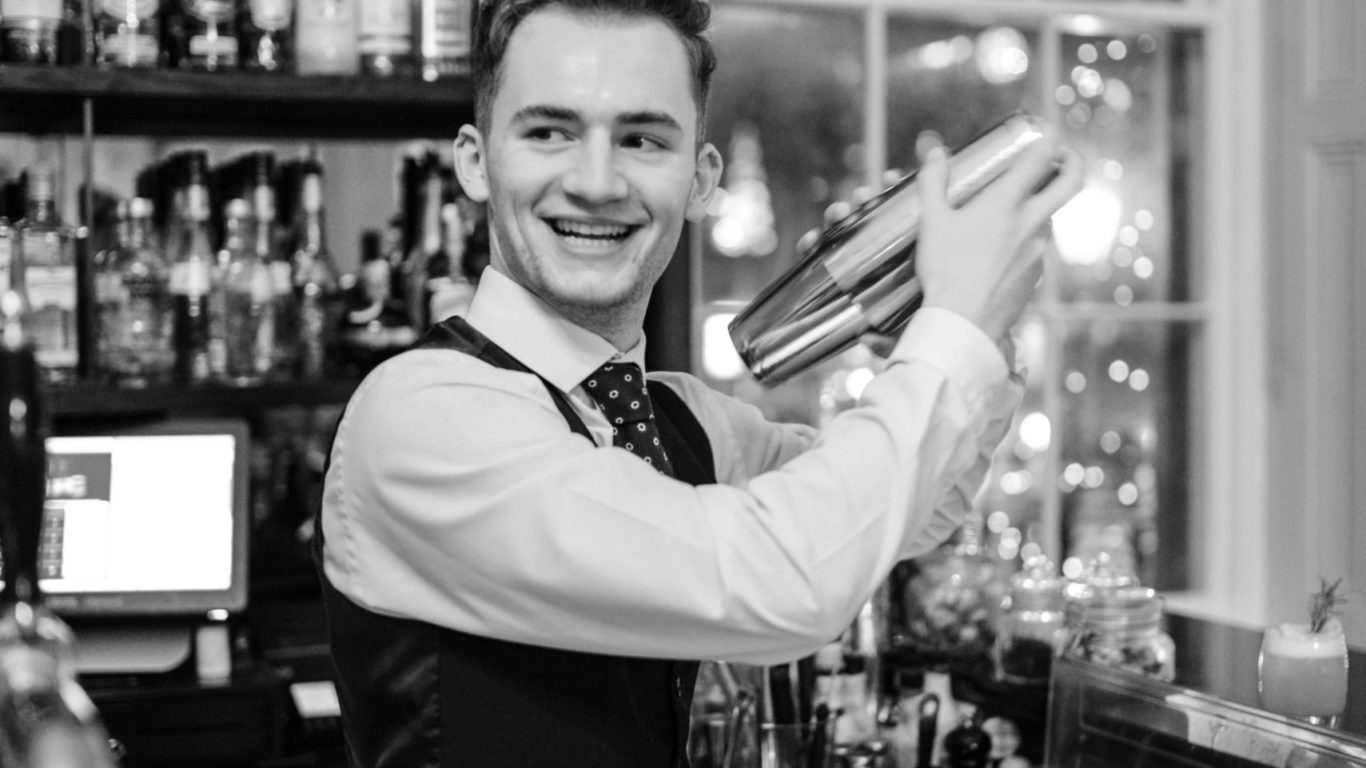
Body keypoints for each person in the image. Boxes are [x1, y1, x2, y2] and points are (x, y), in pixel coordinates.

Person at [314, 0, 1083, 765]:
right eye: (549, 132)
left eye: (643, 139)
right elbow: (785, 583)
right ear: (476, 162)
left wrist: (978, 320)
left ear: (700, 179)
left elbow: (917, 513)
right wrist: (959, 324)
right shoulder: (419, 415)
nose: (595, 181)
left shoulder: (682, 418)